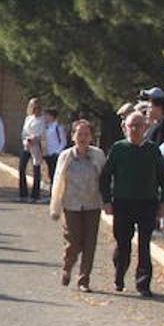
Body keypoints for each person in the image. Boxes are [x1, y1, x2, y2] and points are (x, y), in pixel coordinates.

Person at [99, 112, 164, 297]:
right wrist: (106, 201)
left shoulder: (153, 150)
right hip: (123, 203)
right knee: (123, 243)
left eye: (138, 125)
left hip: (147, 203)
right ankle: (119, 276)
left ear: (145, 128)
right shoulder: (118, 149)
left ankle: (143, 284)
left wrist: (163, 204)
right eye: (131, 126)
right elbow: (105, 177)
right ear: (125, 128)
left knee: (145, 245)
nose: (135, 129)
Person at [49, 120, 106, 292]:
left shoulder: (98, 155)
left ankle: (84, 279)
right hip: (71, 204)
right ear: (73, 136)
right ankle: (67, 266)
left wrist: (107, 202)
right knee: (73, 241)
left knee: (90, 242)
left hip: (92, 203)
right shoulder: (66, 156)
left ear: (91, 137)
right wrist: (55, 207)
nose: (83, 138)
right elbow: (58, 182)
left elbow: (105, 180)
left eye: (86, 134)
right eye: (79, 134)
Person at [20, 97, 46, 202]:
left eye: (37, 107)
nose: (35, 109)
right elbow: (24, 132)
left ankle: (35, 194)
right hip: (27, 145)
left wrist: (35, 138)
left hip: (36, 145)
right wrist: (26, 140)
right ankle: (23, 193)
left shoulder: (42, 119)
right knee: (22, 168)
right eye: (33, 107)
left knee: (36, 169)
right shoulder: (28, 118)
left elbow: (43, 132)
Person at [43, 108, 67, 190]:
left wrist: (57, 152)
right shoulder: (47, 127)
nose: (45, 117)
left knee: (56, 175)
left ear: (52, 116)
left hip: (56, 154)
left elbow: (63, 142)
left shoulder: (58, 127)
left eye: (47, 115)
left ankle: (55, 191)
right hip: (48, 154)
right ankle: (51, 192)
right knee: (50, 174)